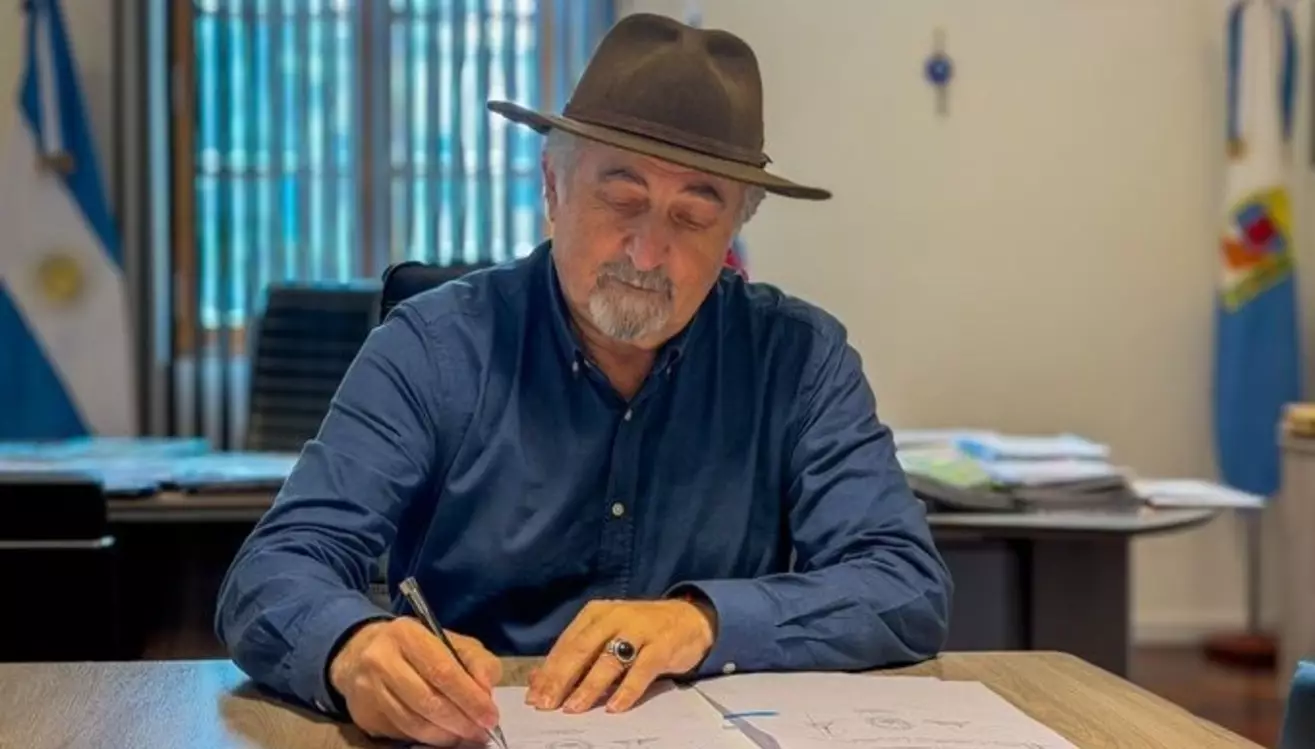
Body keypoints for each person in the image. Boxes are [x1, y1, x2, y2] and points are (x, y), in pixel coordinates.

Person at [215, 12, 953, 747]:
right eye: (622, 200)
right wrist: (354, 650)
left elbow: (904, 582)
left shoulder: (799, 359)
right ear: (552, 186)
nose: (647, 251)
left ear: (733, 231)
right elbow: (274, 568)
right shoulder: (431, 348)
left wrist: (702, 620)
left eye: (693, 217)